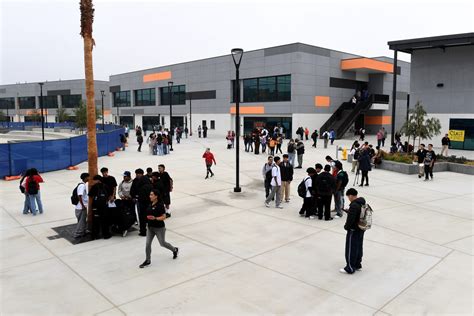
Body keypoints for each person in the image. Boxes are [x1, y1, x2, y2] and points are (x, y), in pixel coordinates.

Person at [139, 189, 179, 268]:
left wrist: (155, 218)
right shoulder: (150, 203)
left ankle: (174, 249)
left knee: (162, 243)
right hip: (150, 228)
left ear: (156, 196)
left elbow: (164, 217)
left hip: (159, 228)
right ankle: (148, 260)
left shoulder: (160, 205)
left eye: (151, 195)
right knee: (147, 244)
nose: (150, 196)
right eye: (150, 194)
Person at [340, 188, 365, 274]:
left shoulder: (354, 205)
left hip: (353, 230)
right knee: (358, 247)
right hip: (361, 229)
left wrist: (346, 227)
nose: (348, 198)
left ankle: (350, 267)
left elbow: (351, 220)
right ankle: (357, 264)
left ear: (350, 195)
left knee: (351, 248)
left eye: (348, 197)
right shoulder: (361, 202)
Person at [130, 168, 153, 236]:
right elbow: (132, 191)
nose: (137, 175)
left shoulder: (145, 181)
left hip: (144, 202)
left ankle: (144, 231)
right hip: (143, 202)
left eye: (138, 174)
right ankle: (147, 230)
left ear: (142, 174)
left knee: (143, 216)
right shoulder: (137, 181)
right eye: (136, 174)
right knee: (145, 216)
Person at [88, 175, 111, 239]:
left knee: (95, 221)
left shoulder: (94, 187)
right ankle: (106, 234)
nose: (93, 181)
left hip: (96, 207)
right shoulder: (105, 186)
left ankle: (95, 235)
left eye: (94, 180)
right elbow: (109, 195)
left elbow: (90, 195)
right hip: (104, 206)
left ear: (98, 180)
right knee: (105, 221)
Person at [74, 173, 89, 239]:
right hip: (81, 207)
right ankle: (78, 234)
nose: (89, 178)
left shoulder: (83, 185)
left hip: (80, 206)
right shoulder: (82, 186)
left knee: (81, 221)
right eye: (88, 177)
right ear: (85, 178)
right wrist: (83, 205)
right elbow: (79, 195)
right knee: (81, 221)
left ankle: (82, 231)